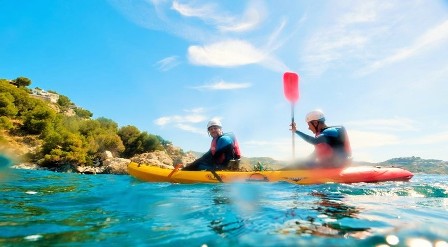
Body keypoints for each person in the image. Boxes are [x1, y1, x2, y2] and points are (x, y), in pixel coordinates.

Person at [286, 110, 352, 168]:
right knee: (298, 162)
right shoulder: (323, 136)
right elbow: (315, 154)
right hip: (330, 164)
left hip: (336, 166)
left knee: (298, 163)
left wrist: (296, 131)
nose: (308, 128)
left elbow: (314, 141)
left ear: (315, 123)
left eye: (309, 125)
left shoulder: (330, 131)